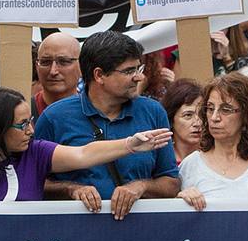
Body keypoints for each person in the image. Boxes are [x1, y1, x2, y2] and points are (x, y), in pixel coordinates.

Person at [0, 87, 169, 204]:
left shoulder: (36, 152)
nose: (31, 130)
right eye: (21, 125)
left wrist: (130, 144)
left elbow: (83, 153)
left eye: (31, 121)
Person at [36, 31, 181, 218]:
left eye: (139, 69)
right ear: (99, 75)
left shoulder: (153, 112)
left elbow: (171, 183)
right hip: (73, 239)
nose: (138, 78)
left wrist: (141, 187)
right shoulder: (54, 117)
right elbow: (33, 182)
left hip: (141, 238)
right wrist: (71, 189)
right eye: (129, 71)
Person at [178, 74, 248, 211]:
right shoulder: (190, 165)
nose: (214, 117)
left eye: (225, 109)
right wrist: (181, 200)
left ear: (246, 114)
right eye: (210, 108)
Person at [32, 32, 82, 119]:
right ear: (37, 67)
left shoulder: (99, 113)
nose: (53, 71)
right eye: (45, 62)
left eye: (63, 61)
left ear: (82, 65)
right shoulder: (22, 117)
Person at [163, 80, 203, 160]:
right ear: (171, 119)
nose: (198, 123)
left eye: (202, 115)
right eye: (188, 115)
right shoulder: (162, 162)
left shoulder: (215, 160)